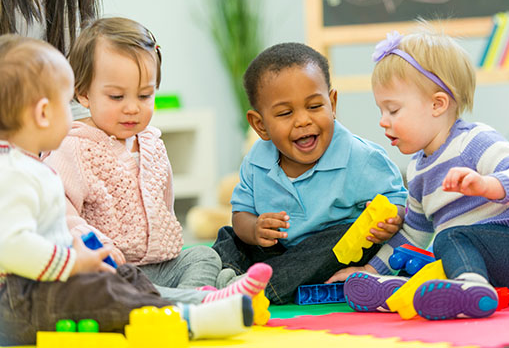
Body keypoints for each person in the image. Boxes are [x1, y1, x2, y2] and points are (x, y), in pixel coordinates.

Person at [0, 34, 255, 345]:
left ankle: (199, 300)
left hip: (50, 281)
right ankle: (193, 314)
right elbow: (10, 246)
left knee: (126, 279)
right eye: (66, 105)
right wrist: (73, 262)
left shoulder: (28, 167)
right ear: (42, 114)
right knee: (107, 292)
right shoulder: (13, 174)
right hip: (20, 299)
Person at [44, 17, 272, 305]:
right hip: (109, 269)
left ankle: (196, 298)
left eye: (144, 95)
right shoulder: (72, 147)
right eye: (116, 96)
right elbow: (60, 214)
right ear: (83, 93)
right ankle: (205, 300)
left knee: (203, 254)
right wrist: (95, 246)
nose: (132, 108)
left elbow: (165, 205)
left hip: (157, 266)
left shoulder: (152, 144)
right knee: (112, 288)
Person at [330, 28, 509, 320]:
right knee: (434, 254)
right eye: (380, 110)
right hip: (490, 266)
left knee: (448, 239)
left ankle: (467, 287)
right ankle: (401, 290)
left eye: (393, 110)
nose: (383, 121)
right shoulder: (419, 170)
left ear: (437, 104)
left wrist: (488, 185)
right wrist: (369, 271)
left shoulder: (474, 141)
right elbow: (411, 234)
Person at [212, 42, 408, 304]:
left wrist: (391, 219)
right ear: (260, 125)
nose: (303, 120)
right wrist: (255, 228)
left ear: (333, 103)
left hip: (331, 254)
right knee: (230, 236)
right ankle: (216, 281)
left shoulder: (360, 158)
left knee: (343, 235)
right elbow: (241, 214)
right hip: (278, 252)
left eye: (315, 106)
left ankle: (257, 290)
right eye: (285, 113)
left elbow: (399, 201)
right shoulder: (256, 161)